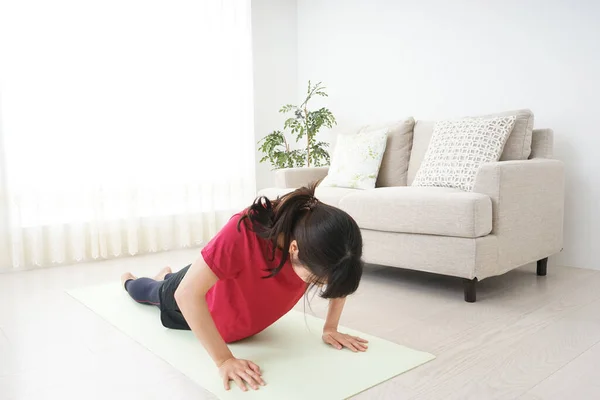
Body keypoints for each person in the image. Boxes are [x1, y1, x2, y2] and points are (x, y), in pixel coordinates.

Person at [120, 183, 367, 392]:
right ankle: (130, 280)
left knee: (184, 278)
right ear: (294, 249)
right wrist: (224, 360)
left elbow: (339, 274)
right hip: (189, 301)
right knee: (148, 291)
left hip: (219, 287)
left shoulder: (325, 243)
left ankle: (167, 275)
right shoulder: (243, 232)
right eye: (315, 280)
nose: (316, 286)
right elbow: (185, 294)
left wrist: (330, 327)